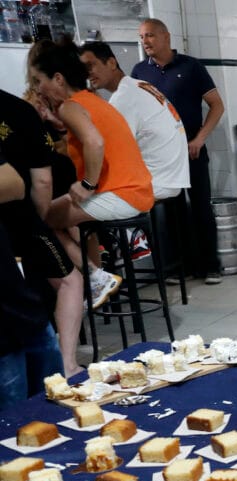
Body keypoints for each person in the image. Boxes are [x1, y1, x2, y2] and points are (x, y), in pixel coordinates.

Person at [30, 42, 154, 376]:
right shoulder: (90, 101)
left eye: (39, 80)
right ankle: (94, 274)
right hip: (138, 190)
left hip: (122, 193)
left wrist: (86, 184)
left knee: (42, 216)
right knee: (61, 211)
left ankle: (95, 276)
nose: (38, 88)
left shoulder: (72, 105)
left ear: (58, 78)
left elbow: (95, 143)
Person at [133, 18, 225, 285]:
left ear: (165, 36)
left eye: (149, 35)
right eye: (141, 37)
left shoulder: (191, 66)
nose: (145, 42)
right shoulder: (140, 72)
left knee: (200, 208)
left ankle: (210, 266)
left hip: (193, 151)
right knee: (171, 212)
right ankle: (178, 267)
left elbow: (216, 105)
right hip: (162, 157)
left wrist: (199, 139)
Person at [0, 87, 82, 376]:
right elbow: (41, 181)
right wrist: (42, 217)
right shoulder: (19, 110)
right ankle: (68, 365)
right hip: (20, 218)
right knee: (70, 281)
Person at [80, 42, 190, 201]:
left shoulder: (124, 97)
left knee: (74, 202)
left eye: (90, 66)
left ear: (111, 63)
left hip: (155, 181)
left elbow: (107, 150)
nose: (88, 74)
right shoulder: (140, 85)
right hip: (171, 177)